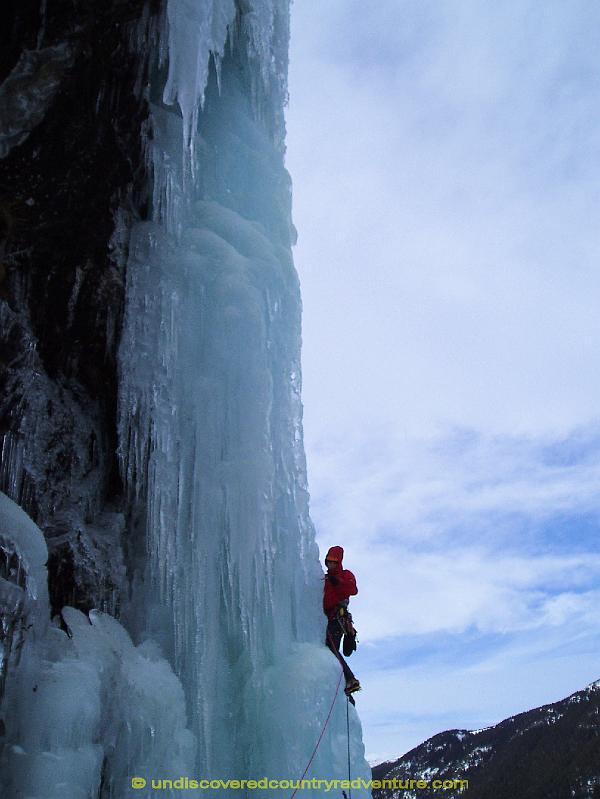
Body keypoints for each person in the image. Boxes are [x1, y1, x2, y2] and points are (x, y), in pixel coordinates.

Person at [323, 545, 361, 697]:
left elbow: (353, 589)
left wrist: (337, 581)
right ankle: (346, 681)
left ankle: (350, 679)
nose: (330, 564)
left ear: (339, 562)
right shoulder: (325, 580)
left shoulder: (345, 575)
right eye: (328, 561)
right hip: (326, 619)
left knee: (332, 651)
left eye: (333, 561)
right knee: (330, 650)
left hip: (338, 620)